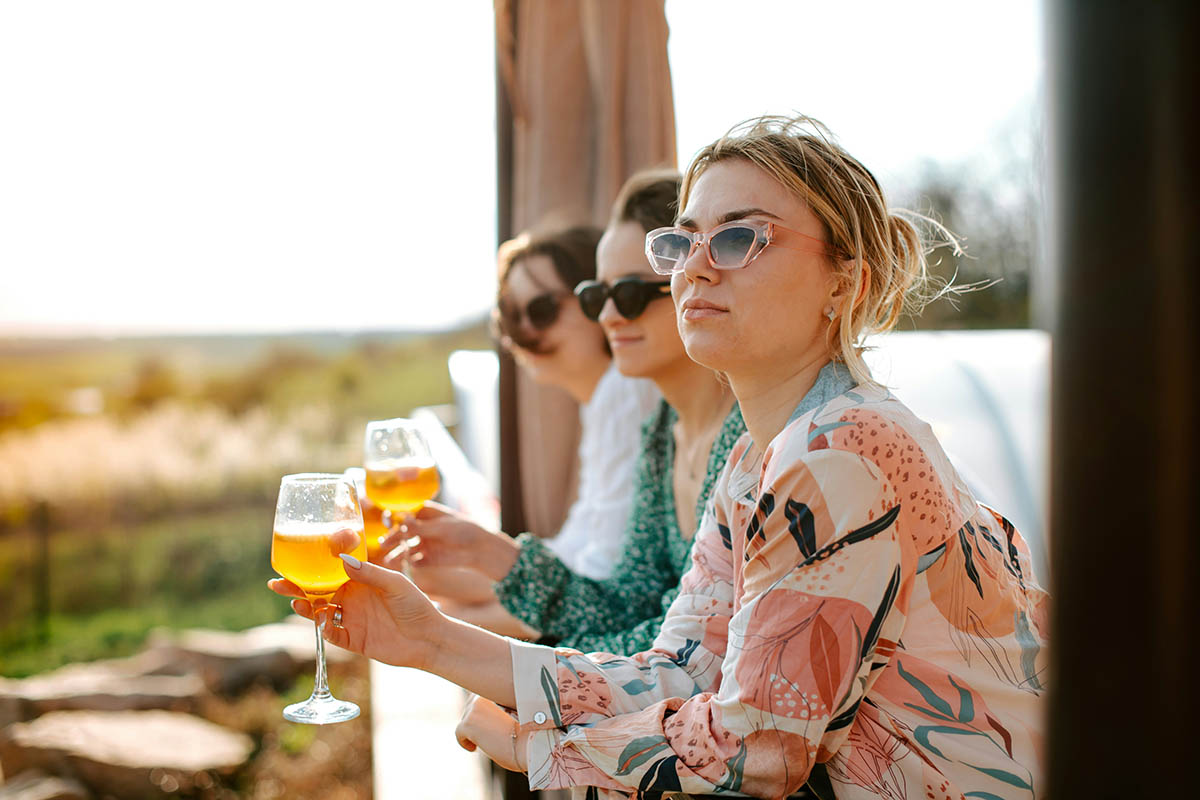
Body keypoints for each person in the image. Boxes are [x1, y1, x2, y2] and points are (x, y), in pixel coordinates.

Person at [271, 115, 1049, 799]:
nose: (695, 267)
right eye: (681, 242)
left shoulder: (841, 450)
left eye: (741, 237)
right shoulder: (759, 455)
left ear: (845, 281)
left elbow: (759, 752)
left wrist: (545, 749)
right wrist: (428, 639)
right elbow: (679, 669)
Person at [402, 169, 743, 654]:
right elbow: (623, 603)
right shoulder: (661, 433)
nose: (606, 317)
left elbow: (691, 644)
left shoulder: (751, 437)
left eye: (628, 293)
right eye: (595, 297)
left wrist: (452, 645)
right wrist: (487, 553)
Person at [467, 224, 661, 582]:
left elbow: (602, 569)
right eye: (509, 316)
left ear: (597, 302)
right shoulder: (604, 396)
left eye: (542, 311)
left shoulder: (626, 391)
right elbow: (577, 544)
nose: (523, 332)